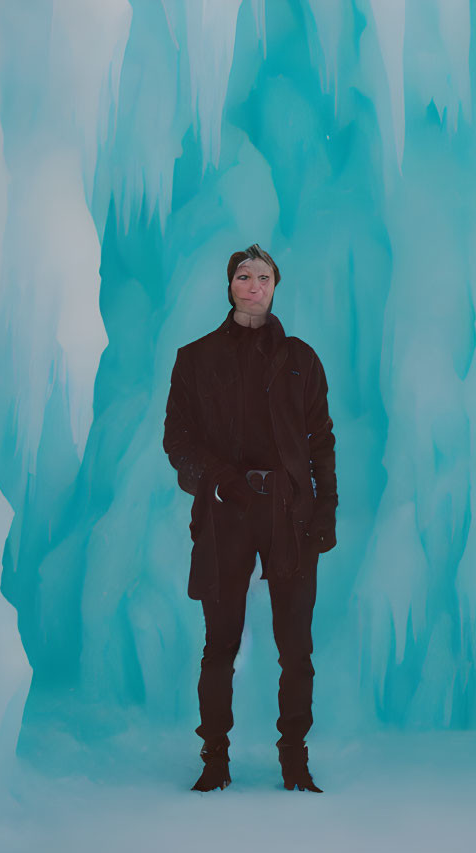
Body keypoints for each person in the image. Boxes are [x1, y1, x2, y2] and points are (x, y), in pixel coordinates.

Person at [162, 244, 337, 793]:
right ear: (230, 284)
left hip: (290, 516)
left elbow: (321, 443)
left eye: (263, 277)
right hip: (224, 514)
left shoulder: (301, 360)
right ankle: (214, 760)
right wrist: (220, 479)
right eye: (244, 275)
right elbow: (177, 440)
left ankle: (294, 759)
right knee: (220, 644)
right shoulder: (195, 359)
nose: (254, 285)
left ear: (276, 286)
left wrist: (325, 511)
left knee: (296, 647)